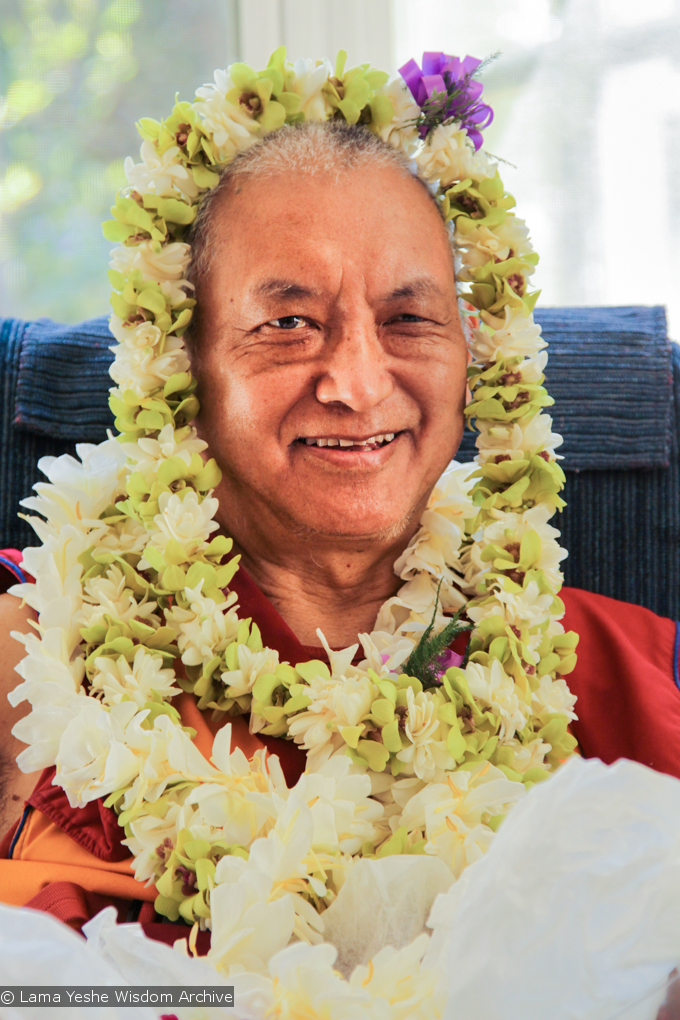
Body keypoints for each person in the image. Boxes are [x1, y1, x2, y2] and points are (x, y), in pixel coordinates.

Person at [0, 93, 678, 949]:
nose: (357, 384)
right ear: (181, 363)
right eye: (288, 324)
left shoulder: (637, 678)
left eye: (409, 320)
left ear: (473, 360)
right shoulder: (38, 660)